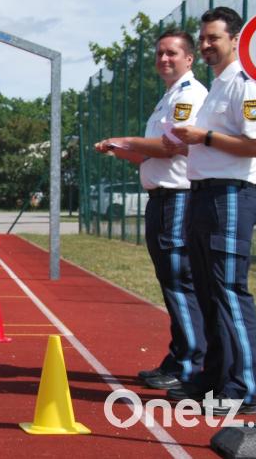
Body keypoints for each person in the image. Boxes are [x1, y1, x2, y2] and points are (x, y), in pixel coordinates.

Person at [165, 6, 256, 415]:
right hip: (204, 192)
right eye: (204, 38)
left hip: (231, 194)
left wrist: (203, 136)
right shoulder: (218, 88)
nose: (207, 45)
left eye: (214, 38)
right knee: (208, 290)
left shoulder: (246, 84)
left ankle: (243, 389)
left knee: (228, 289)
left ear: (236, 40)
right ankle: (213, 378)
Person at [94, 29, 207, 393]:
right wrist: (115, 149)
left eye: (172, 53)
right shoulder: (168, 98)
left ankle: (191, 363)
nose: (164, 59)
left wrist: (122, 140)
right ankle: (179, 356)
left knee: (178, 279)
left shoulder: (190, 95)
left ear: (189, 58)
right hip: (160, 197)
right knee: (169, 280)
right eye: (159, 53)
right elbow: (147, 153)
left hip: (178, 196)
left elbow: (171, 145)